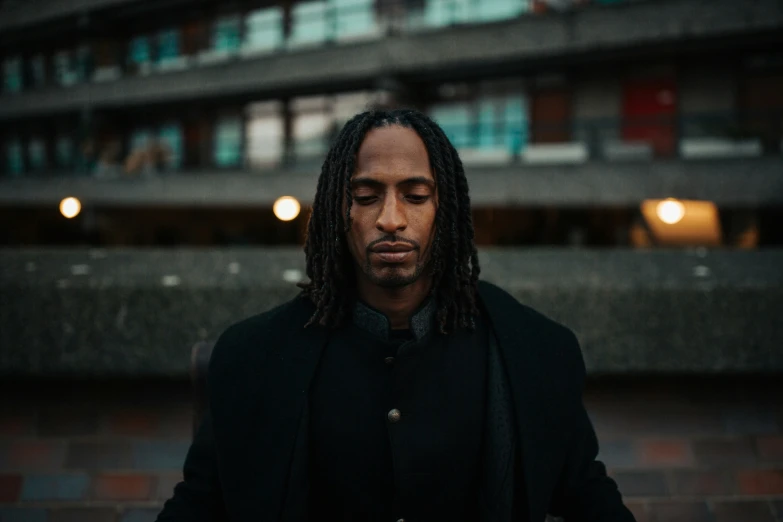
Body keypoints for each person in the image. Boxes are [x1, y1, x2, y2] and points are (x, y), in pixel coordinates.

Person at [157, 109, 636, 522]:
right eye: (366, 197)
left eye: (415, 195)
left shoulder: (535, 350)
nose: (390, 218)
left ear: (444, 209)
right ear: (336, 211)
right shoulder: (252, 356)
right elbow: (200, 502)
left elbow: (590, 497)